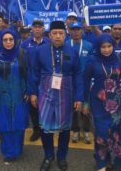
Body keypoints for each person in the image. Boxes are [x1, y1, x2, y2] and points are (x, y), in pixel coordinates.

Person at [29, 20, 84, 171]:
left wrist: (79, 97)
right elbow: (34, 73)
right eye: (54, 33)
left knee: (65, 129)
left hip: (66, 94)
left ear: (65, 35)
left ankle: (61, 157)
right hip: (45, 92)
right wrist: (32, 93)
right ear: (49, 35)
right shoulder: (40, 51)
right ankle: (48, 156)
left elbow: (78, 75)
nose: (58, 36)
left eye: (61, 33)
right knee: (45, 128)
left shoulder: (72, 52)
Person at [84, 34, 121, 171]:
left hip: (116, 103)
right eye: (103, 47)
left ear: (113, 46)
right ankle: (101, 163)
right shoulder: (92, 61)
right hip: (98, 102)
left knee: (115, 132)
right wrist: (85, 102)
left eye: (109, 46)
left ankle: (117, 161)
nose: (106, 50)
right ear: (98, 47)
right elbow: (85, 82)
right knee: (101, 133)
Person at [0, 30, 29, 164]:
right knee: (4, 123)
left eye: (11, 39)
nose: (8, 42)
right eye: (5, 40)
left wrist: (29, 90)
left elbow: (28, 74)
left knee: (18, 122)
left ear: (15, 40)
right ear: (1, 41)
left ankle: (17, 150)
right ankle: (8, 153)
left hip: (19, 93)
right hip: (2, 94)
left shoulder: (22, 54)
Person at [21, 20, 50, 142]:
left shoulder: (49, 43)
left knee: (46, 104)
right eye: (35, 27)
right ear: (32, 29)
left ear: (43, 29)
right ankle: (36, 129)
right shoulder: (25, 44)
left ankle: (46, 128)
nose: (37, 29)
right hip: (30, 78)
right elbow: (22, 64)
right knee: (33, 105)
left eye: (40, 27)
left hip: (46, 79)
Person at [66, 22, 93, 144]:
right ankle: (75, 130)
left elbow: (93, 64)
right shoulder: (66, 45)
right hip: (70, 82)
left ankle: (86, 130)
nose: (76, 32)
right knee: (72, 107)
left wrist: (92, 80)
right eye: (73, 30)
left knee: (86, 106)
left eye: (78, 30)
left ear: (82, 31)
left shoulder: (89, 46)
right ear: (69, 31)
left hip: (85, 81)